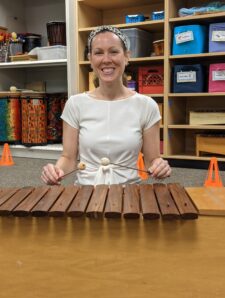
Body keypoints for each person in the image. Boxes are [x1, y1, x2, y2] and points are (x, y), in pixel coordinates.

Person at [41, 25, 171, 186]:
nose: (106, 59)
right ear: (90, 59)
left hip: (129, 193)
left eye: (114, 51)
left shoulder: (146, 105)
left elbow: (152, 160)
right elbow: (68, 158)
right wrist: (56, 171)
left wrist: (160, 166)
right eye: (98, 52)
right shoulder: (75, 104)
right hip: (86, 192)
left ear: (127, 56)